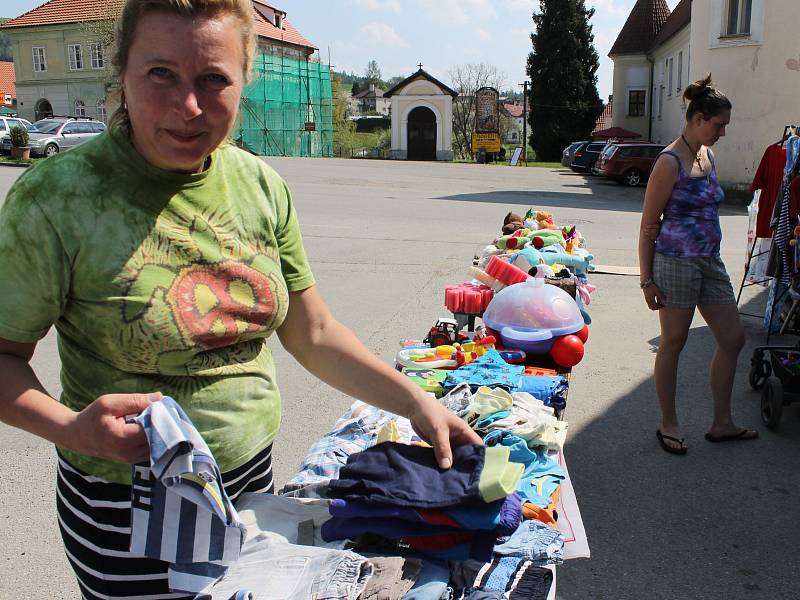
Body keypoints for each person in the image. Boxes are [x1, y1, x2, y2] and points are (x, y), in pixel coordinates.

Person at [0, 1, 481, 598]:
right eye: (161, 75)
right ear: (121, 71)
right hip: (125, 509)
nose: (189, 107)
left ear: (242, 79)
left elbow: (314, 332)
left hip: (249, 489)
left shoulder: (259, 186)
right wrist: (73, 428)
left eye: (213, 79)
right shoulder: (56, 200)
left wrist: (415, 403)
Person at [638, 74, 757, 456]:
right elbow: (648, 226)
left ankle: (722, 422)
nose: (722, 132)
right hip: (674, 264)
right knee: (674, 342)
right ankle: (668, 423)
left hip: (709, 261)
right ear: (700, 118)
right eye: (719, 125)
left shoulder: (709, 155)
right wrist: (646, 280)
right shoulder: (669, 162)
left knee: (733, 338)